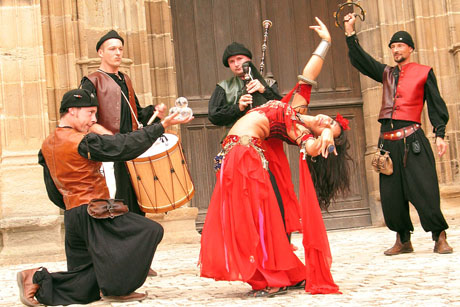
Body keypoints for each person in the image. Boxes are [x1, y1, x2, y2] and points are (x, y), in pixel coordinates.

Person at [200, 17, 351, 297]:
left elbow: (311, 148)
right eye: (330, 119)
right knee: (247, 219)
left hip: (249, 154)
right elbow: (308, 76)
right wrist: (326, 43)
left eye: (329, 124)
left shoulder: (298, 129)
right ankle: (277, 274)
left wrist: (326, 137)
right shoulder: (297, 107)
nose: (325, 118)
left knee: (262, 219)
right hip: (237, 153)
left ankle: (275, 276)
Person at [16, 89, 193, 306]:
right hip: (95, 212)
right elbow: (122, 147)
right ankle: (120, 287)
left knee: (86, 287)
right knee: (150, 231)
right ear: (72, 111)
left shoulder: (48, 143)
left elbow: (52, 188)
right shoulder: (82, 141)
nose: (93, 119)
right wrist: (161, 126)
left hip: (73, 215)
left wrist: (70, 205)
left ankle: (35, 278)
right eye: (90, 113)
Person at [343, 13, 453, 255]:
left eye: (400, 45)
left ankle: (439, 236)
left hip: (413, 139)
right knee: (392, 194)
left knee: (425, 189)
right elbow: (362, 60)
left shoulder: (424, 72)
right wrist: (350, 32)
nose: (396, 50)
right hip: (388, 142)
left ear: (410, 48)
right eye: (392, 46)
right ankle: (403, 240)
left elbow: (436, 104)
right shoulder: (386, 73)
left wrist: (440, 133)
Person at [80, 29, 164, 216]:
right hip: (109, 152)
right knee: (115, 204)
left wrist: (154, 112)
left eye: (120, 49)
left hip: (131, 151)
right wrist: (107, 136)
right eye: (112, 49)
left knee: (135, 207)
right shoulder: (91, 81)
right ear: (101, 53)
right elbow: (84, 120)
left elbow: (137, 113)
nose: (117, 53)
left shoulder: (126, 80)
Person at [208, 41, 283, 128]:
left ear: (249, 60)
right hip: (237, 137)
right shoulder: (223, 86)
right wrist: (238, 108)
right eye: (231, 61)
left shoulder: (269, 83)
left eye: (239, 59)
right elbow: (213, 116)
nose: (236, 64)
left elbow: (283, 109)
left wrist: (264, 90)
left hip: (268, 136)